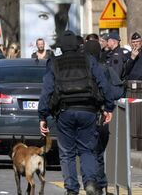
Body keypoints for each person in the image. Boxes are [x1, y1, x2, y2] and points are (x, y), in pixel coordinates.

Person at [38, 31, 117, 195]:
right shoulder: (89, 60)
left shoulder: (54, 63)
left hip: (65, 111)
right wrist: (108, 108)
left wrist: (42, 116)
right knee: (87, 150)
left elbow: (46, 91)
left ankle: (72, 189)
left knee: (67, 153)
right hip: (88, 110)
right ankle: (89, 182)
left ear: (60, 46)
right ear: (77, 45)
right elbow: (103, 84)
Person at [83, 40, 117, 195]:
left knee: (87, 151)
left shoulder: (81, 69)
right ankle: (100, 185)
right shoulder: (104, 68)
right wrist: (109, 108)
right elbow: (115, 90)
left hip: (86, 114)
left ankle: (91, 181)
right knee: (99, 151)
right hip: (102, 115)